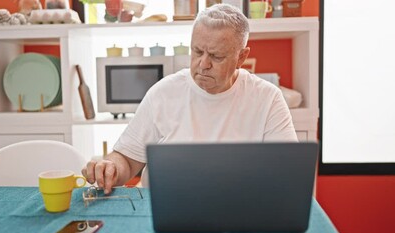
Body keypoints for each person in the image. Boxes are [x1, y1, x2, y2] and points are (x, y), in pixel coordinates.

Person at [82, 3, 297, 194]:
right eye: (197, 51)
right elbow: (127, 160)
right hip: (167, 212)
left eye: (216, 56)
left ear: (241, 57)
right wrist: (110, 167)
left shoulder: (268, 99)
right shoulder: (162, 93)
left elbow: (288, 173)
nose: (203, 64)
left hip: (239, 212)